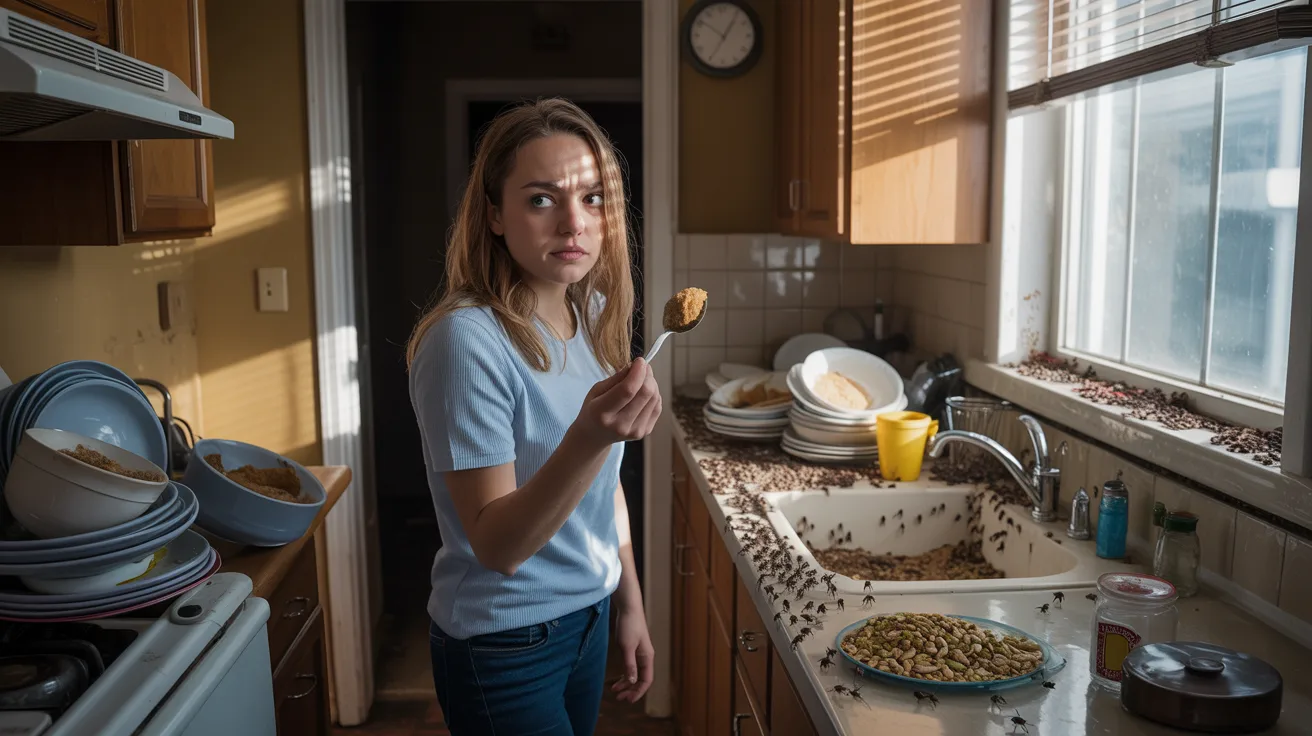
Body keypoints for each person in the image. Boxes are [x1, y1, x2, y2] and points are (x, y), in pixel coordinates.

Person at [406, 97, 660, 736]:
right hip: (506, 640)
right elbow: (497, 546)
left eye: (594, 198)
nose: (574, 222)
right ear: (494, 214)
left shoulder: (593, 312)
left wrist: (628, 600)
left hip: (590, 617)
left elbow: (602, 489)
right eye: (542, 199)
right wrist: (588, 436)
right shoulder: (469, 340)